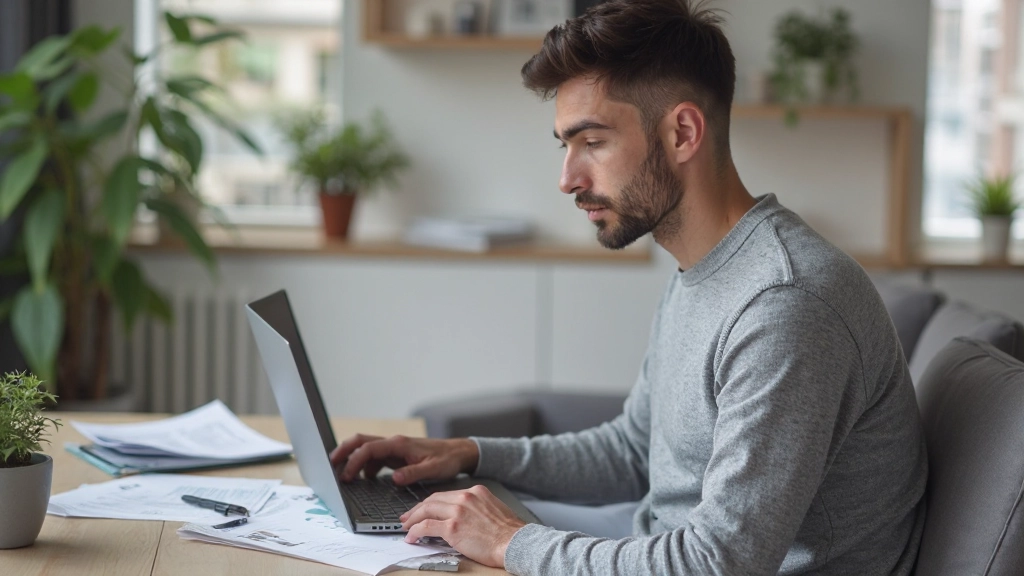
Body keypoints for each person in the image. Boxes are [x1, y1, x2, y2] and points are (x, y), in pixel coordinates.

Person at [330, 1, 928, 574]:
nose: (567, 179)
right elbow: (633, 449)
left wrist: (511, 541)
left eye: (592, 142)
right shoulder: (707, 267)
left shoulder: (784, 306)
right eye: (566, 146)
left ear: (683, 133)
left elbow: (718, 563)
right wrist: (471, 455)